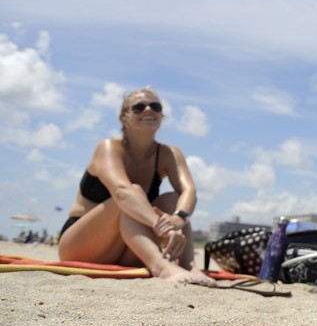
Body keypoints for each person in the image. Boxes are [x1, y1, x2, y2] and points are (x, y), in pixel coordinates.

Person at [58, 87, 212, 284]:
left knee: (173, 199)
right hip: (83, 246)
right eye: (139, 107)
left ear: (161, 115)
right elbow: (122, 192)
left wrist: (178, 219)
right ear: (124, 118)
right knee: (133, 194)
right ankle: (162, 268)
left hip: (130, 246)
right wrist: (162, 226)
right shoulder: (108, 148)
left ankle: (188, 264)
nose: (148, 110)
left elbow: (188, 190)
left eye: (155, 106)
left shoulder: (168, 154)